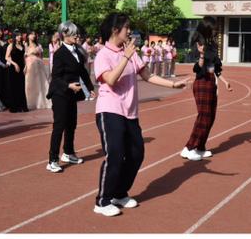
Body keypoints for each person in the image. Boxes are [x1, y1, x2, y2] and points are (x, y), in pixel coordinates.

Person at [93, 13, 189, 217]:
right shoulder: (104, 54)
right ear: (114, 30)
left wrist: (173, 84)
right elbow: (110, 79)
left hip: (130, 112)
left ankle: (119, 193)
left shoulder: (131, 53)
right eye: (126, 28)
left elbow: (148, 75)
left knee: (137, 154)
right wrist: (125, 56)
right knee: (116, 155)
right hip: (109, 110)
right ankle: (102, 201)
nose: (130, 31)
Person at [180, 17, 233, 161]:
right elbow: (197, 68)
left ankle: (200, 147)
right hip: (202, 82)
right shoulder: (199, 43)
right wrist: (202, 54)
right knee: (203, 116)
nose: (216, 31)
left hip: (211, 82)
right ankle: (189, 147)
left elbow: (215, 68)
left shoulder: (212, 44)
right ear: (207, 28)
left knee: (211, 116)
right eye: (214, 28)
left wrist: (224, 81)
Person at [46, 21, 92, 173]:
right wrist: (68, 86)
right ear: (64, 34)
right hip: (60, 93)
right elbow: (56, 77)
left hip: (72, 94)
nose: (77, 36)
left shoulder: (78, 51)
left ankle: (68, 153)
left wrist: (90, 88)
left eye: (77, 33)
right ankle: (52, 160)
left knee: (72, 124)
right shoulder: (59, 54)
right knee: (59, 126)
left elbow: (83, 72)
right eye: (74, 33)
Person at [25, 31, 51, 110]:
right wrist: (25, 66)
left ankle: (41, 101)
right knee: (29, 83)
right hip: (29, 65)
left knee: (40, 83)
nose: (33, 36)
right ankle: (30, 102)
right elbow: (24, 57)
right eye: (31, 34)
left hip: (38, 65)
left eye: (34, 34)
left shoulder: (39, 45)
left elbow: (41, 57)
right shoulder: (25, 45)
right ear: (28, 36)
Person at [5, 31, 29, 113]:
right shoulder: (11, 45)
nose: (19, 37)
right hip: (13, 68)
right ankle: (14, 107)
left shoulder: (23, 45)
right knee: (13, 87)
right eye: (17, 36)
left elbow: (24, 58)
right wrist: (15, 64)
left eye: (20, 35)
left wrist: (25, 66)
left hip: (21, 67)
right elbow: (7, 57)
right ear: (14, 37)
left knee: (21, 87)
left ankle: (22, 106)